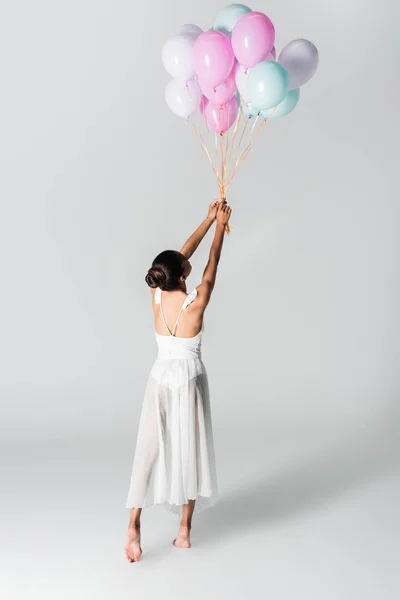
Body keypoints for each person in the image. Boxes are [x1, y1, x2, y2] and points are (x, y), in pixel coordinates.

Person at [124, 199, 232, 562]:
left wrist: (207, 218)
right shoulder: (196, 302)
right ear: (183, 276)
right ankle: (184, 531)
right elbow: (211, 264)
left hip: (160, 378)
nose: (189, 259)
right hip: (188, 381)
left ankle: (133, 525)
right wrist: (219, 228)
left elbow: (177, 257)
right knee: (191, 451)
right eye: (185, 265)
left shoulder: (156, 294)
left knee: (147, 450)